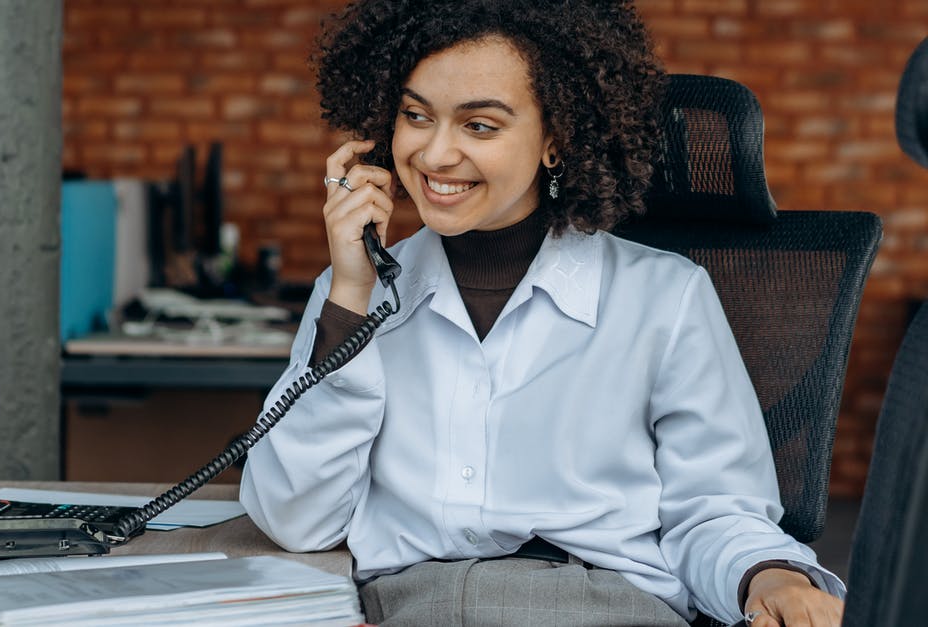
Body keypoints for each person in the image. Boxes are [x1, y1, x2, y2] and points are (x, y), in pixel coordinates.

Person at [239, 1, 845, 625]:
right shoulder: (354, 291)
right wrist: (350, 299)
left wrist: (767, 576)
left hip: (608, 606)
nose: (435, 154)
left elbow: (715, 509)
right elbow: (296, 519)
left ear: (556, 140)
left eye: (480, 126)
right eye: (416, 116)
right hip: (414, 606)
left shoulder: (665, 296)